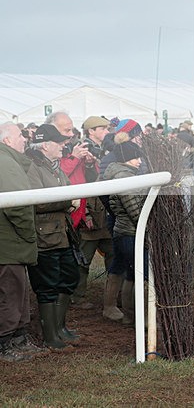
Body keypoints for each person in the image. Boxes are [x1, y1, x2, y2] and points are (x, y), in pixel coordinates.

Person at [25, 124, 81, 349]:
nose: (63, 146)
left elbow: (65, 190)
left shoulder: (54, 166)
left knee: (69, 277)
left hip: (62, 233)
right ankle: (51, 335)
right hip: (45, 236)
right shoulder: (33, 167)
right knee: (47, 285)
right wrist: (68, 202)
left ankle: (59, 328)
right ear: (45, 146)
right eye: (58, 142)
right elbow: (37, 202)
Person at [0, 122, 44, 362]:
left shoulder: (9, 160)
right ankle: (5, 344)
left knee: (18, 291)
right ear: (7, 140)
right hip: (9, 243)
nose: (25, 138)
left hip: (11, 243)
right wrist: (29, 234)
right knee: (10, 293)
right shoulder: (5, 163)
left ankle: (18, 337)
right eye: (20, 135)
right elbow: (18, 206)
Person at [66, 116, 117, 314]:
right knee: (83, 259)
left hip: (103, 212)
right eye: (102, 128)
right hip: (90, 212)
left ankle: (112, 298)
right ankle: (76, 296)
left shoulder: (105, 149)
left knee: (112, 255)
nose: (106, 131)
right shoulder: (83, 149)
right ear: (91, 131)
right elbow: (83, 182)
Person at [103, 142, 146, 325]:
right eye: (136, 157)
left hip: (122, 229)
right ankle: (136, 315)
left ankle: (118, 310)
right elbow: (134, 209)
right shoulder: (124, 177)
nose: (139, 161)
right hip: (130, 231)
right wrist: (147, 228)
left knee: (124, 269)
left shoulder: (119, 174)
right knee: (138, 273)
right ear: (126, 158)